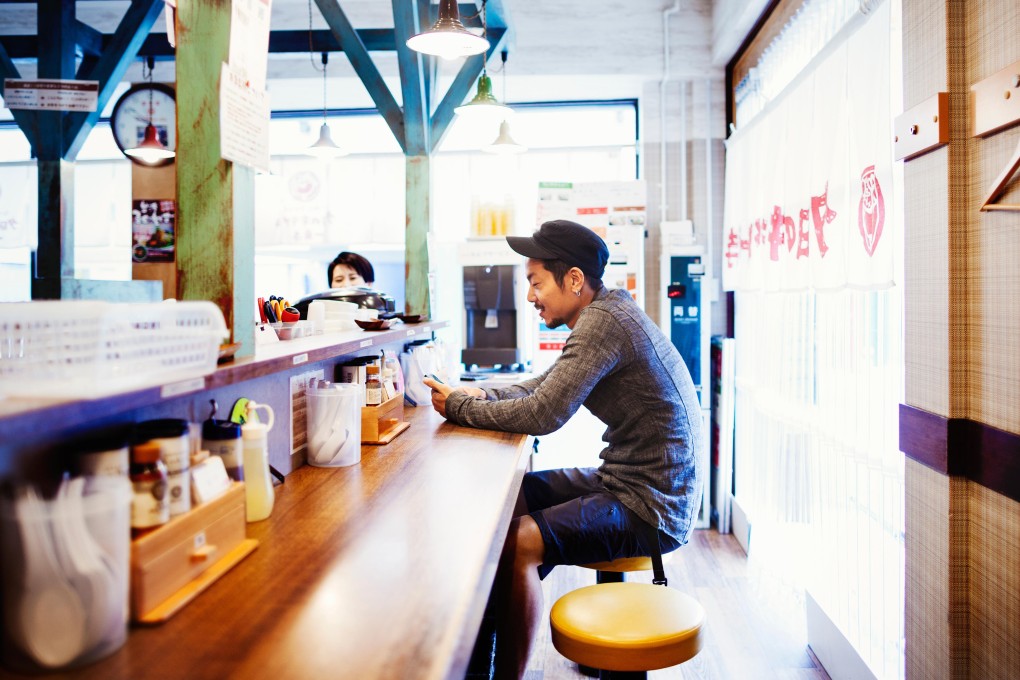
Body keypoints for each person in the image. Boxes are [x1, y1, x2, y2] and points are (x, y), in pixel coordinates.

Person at [422, 219, 704, 679]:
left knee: (521, 540)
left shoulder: (603, 323)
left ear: (574, 280)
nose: (531, 296)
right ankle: (484, 639)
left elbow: (543, 415)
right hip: (630, 481)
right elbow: (548, 385)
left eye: (536, 282)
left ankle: (501, 672)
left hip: (651, 504)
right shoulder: (606, 313)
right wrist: (482, 395)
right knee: (518, 497)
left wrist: (458, 408)